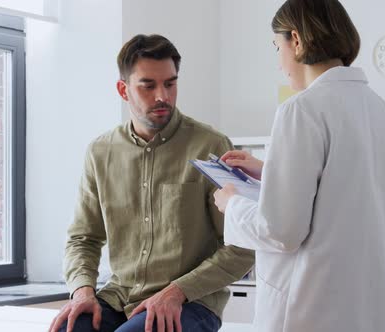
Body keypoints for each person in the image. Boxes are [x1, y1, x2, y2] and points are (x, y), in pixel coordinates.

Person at [213, 1, 385, 331]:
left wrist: (232, 205)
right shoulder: (378, 108)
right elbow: (346, 189)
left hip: (313, 308)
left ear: (297, 40)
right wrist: (270, 169)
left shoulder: (301, 110)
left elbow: (281, 231)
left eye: (277, 47)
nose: (279, 63)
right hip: (367, 306)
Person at [49, 34, 254, 332]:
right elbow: (83, 238)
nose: (163, 96)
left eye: (170, 84)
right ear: (123, 89)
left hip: (189, 302)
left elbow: (242, 245)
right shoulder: (100, 151)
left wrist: (177, 291)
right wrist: (82, 290)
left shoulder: (210, 145)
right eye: (148, 86)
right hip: (119, 297)